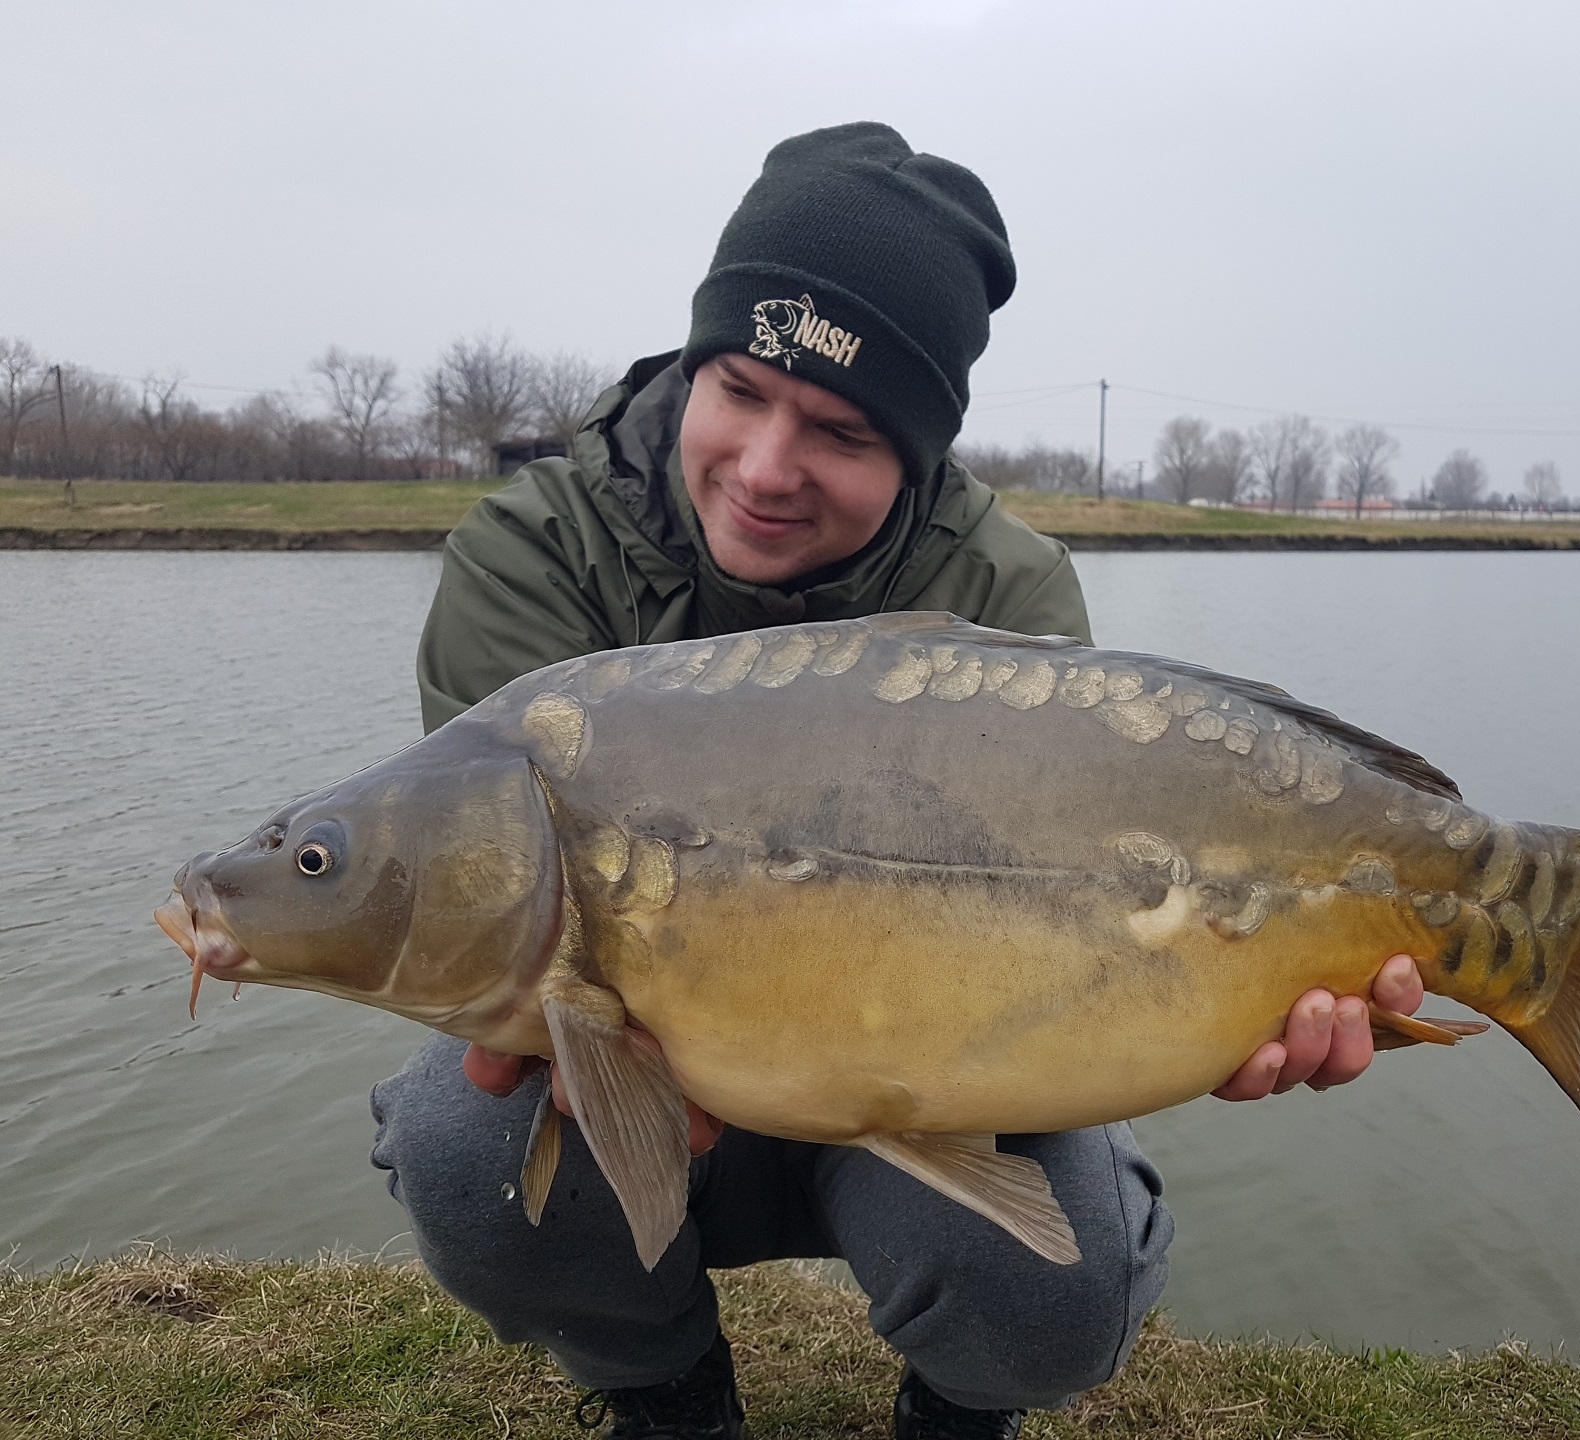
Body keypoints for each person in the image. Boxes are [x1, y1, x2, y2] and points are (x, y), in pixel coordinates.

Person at [370, 122, 1427, 1440]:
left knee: (1053, 1276)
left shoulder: (1007, 597)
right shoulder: (532, 554)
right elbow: (489, 916)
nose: (764, 468)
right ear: (696, 362)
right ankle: (664, 1400)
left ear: (917, 451)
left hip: (937, 1067)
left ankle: (961, 1412)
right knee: (469, 1153)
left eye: (841, 431)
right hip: (644, 1055)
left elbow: (1081, 961)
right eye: (741, 390)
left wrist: (1228, 1006)